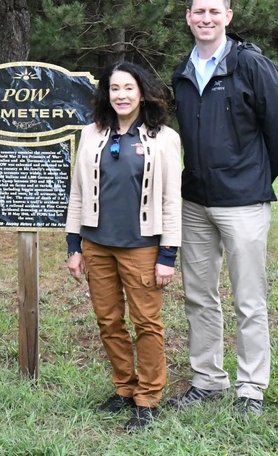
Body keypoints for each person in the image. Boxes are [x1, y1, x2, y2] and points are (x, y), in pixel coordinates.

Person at [169, 0, 278, 416]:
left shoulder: (250, 64)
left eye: (214, 11)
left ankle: (251, 388)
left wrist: (255, 176)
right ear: (188, 17)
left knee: (248, 298)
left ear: (229, 16)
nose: (206, 18)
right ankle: (207, 380)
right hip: (196, 201)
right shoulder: (182, 72)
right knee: (199, 295)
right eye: (198, 11)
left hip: (243, 201)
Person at [65, 62, 182, 431]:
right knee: (109, 320)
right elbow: (78, 192)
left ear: (142, 92)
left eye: (128, 88)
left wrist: (168, 254)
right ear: (106, 93)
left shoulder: (163, 138)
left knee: (146, 322)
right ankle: (124, 388)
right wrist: (74, 245)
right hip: (97, 244)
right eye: (114, 88)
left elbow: (171, 200)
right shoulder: (91, 134)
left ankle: (148, 397)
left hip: (142, 247)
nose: (121, 95)